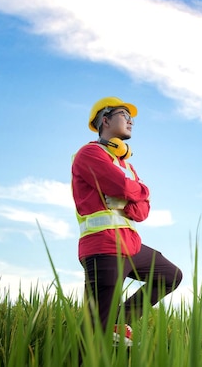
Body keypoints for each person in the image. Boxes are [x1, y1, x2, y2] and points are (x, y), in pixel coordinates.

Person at [71, 96, 182, 346]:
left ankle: (120, 321)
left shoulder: (126, 165)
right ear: (106, 120)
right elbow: (120, 186)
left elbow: (143, 211)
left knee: (170, 275)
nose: (131, 121)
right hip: (104, 246)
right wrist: (137, 191)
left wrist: (132, 196)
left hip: (131, 244)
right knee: (94, 330)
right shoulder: (89, 153)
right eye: (124, 115)